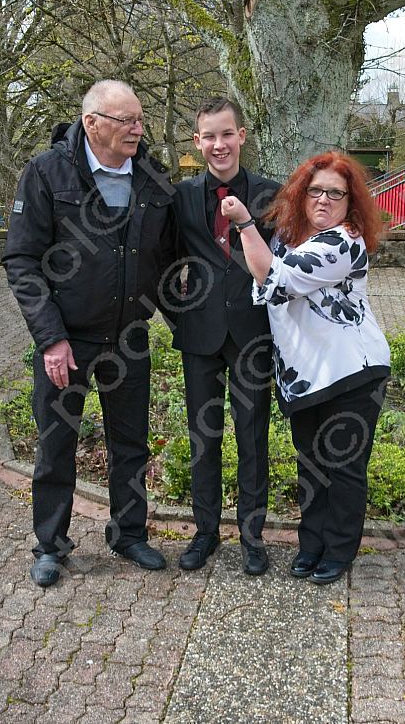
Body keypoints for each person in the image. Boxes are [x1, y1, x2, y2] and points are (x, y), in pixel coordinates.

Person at [3, 80, 175, 587]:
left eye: (140, 120)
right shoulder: (46, 172)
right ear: (92, 122)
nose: (137, 130)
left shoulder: (151, 178)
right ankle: (51, 545)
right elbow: (21, 259)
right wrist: (50, 337)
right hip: (67, 341)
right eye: (126, 120)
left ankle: (129, 533)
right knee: (56, 444)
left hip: (129, 338)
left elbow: (167, 258)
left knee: (132, 443)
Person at [221, 151, 390, 584]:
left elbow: (274, 279)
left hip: (352, 372)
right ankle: (310, 544)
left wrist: (242, 224)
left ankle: (338, 551)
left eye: (336, 193)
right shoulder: (287, 238)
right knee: (311, 466)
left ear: (350, 202)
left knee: (344, 468)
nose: (324, 200)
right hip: (304, 378)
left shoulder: (343, 242)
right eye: (316, 191)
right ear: (301, 194)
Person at [164, 97, 280, 575]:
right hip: (199, 337)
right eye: (208, 136)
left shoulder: (273, 195)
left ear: (242, 135)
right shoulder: (182, 197)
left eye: (226, 134)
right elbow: (166, 266)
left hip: (253, 336)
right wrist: (180, 320)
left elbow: (283, 265)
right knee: (203, 439)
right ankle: (205, 532)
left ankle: (252, 537)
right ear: (197, 142)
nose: (218, 144)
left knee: (253, 440)